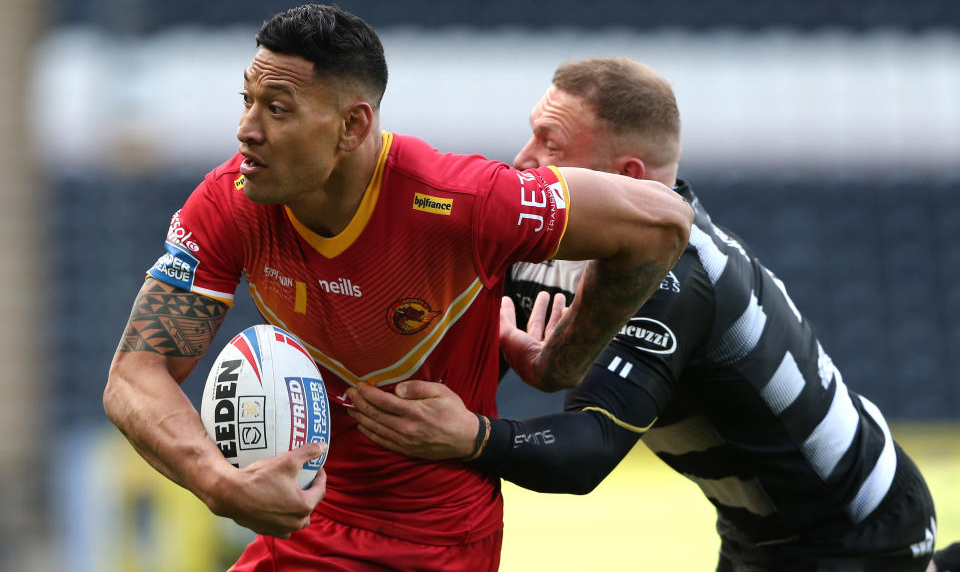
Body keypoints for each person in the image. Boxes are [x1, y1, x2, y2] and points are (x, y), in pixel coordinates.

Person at [101, 7, 693, 570]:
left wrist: (561, 363)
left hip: (436, 545)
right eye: (248, 101)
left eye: (277, 109)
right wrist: (218, 480)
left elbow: (663, 222)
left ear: (352, 126)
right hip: (305, 528)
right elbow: (134, 374)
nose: (246, 131)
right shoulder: (231, 201)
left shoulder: (464, 201)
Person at [346, 56, 940, 571]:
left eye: (551, 144)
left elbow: (587, 451)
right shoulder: (547, 241)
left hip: (855, 528)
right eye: (531, 135)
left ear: (625, 176)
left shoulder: (676, 275)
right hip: (761, 529)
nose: (524, 160)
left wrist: (474, 437)